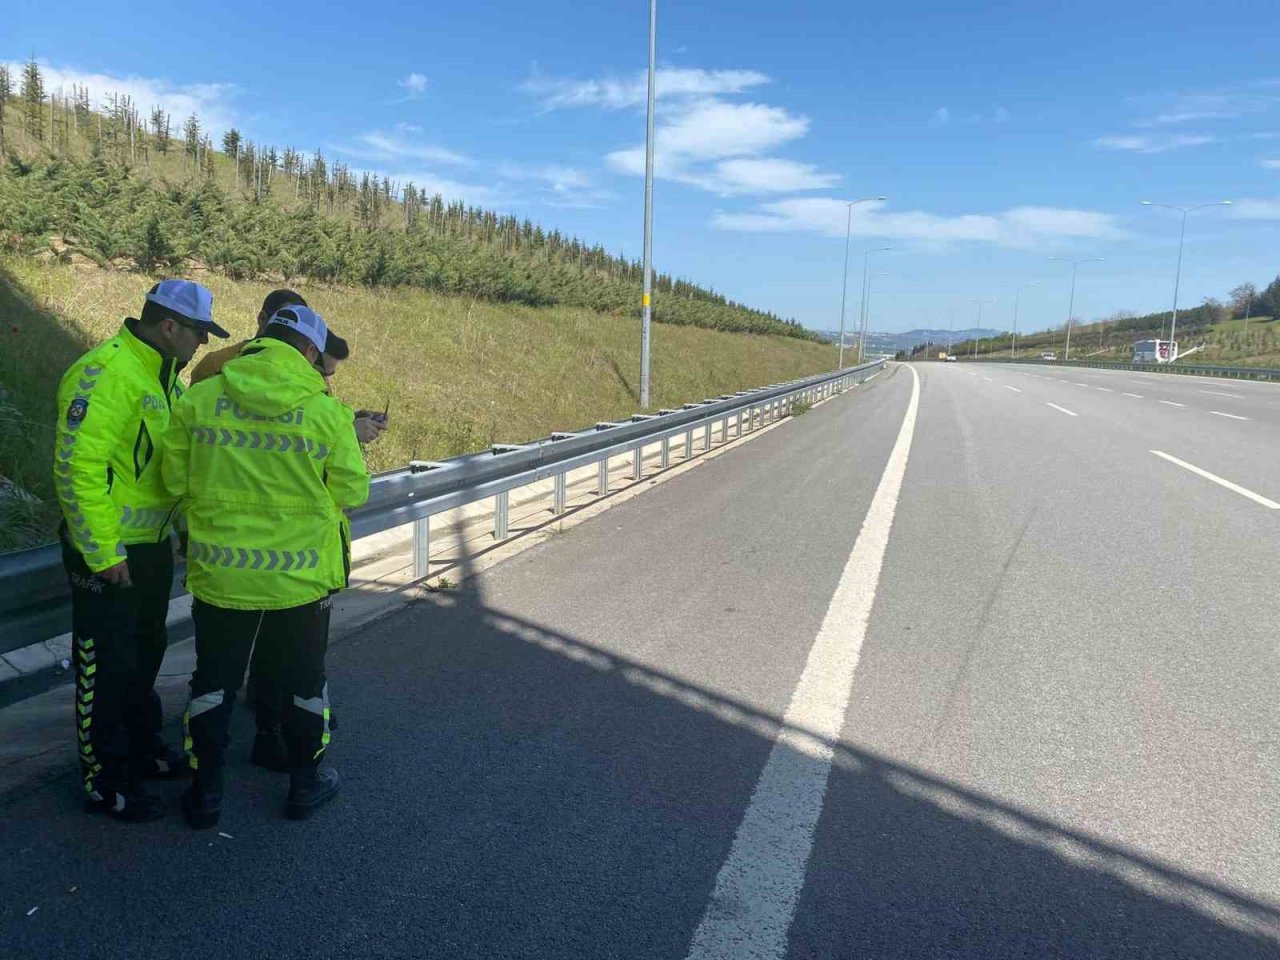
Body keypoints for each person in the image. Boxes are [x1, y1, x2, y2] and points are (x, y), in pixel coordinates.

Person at [160, 305, 370, 828]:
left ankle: (205, 794)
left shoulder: (199, 399)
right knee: (304, 683)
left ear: (262, 338)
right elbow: (352, 491)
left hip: (221, 575)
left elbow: (172, 481)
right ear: (309, 351)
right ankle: (304, 784)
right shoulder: (327, 413)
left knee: (213, 683)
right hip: (300, 579)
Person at [53, 279, 229, 822]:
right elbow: (77, 469)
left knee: (144, 655)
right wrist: (104, 553)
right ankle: (104, 781)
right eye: (199, 332)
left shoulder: (163, 379)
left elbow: (163, 470)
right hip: (109, 553)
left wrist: (182, 529)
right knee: (105, 668)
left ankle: (140, 750)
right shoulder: (105, 372)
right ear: (169, 325)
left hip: (150, 549)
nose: (204, 343)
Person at [190, 288, 387, 444]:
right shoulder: (214, 365)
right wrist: (346, 432)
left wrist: (348, 420)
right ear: (262, 319)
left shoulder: (313, 373)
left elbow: (313, 419)